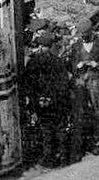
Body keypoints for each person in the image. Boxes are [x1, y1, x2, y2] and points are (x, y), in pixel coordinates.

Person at [22, 31, 72, 168]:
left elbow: (28, 84)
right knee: (60, 128)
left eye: (40, 45)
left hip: (41, 101)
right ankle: (63, 156)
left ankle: (48, 157)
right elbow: (63, 83)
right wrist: (58, 98)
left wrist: (35, 100)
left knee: (46, 130)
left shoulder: (33, 62)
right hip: (56, 101)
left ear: (42, 46)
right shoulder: (58, 62)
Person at [66, 19, 99, 160]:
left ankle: (97, 141)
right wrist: (76, 65)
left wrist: (97, 63)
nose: (83, 36)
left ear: (91, 31)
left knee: (98, 111)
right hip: (81, 82)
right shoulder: (77, 46)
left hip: (96, 81)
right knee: (81, 111)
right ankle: (83, 144)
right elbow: (71, 65)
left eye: (85, 34)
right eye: (81, 34)